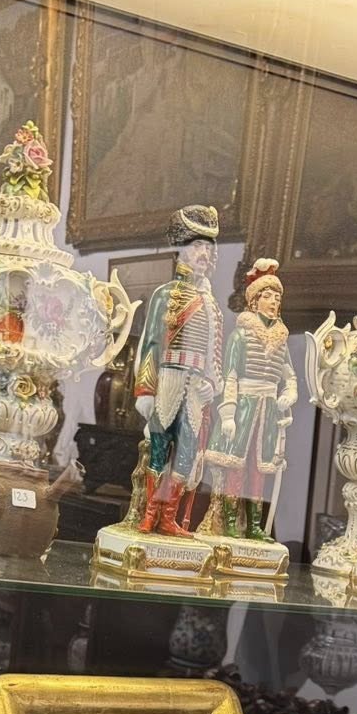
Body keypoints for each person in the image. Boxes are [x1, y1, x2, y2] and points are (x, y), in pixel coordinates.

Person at [133, 204, 223, 536]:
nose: (204, 254)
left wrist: (211, 382)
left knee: (186, 453)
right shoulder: (165, 295)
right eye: (197, 245)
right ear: (182, 249)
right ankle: (150, 513)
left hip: (196, 387)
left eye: (208, 248)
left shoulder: (211, 304)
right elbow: (151, 344)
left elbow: (214, 351)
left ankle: (168, 516)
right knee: (159, 448)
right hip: (169, 379)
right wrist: (146, 390)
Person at [202, 257, 297, 541]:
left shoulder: (281, 340)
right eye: (267, 296)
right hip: (244, 407)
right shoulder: (240, 336)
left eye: (277, 297)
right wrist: (228, 414)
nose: (274, 302)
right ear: (254, 301)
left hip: (268, 410)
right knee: (235, 466)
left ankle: (254, 525)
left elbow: (289, 375)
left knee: (260, 469)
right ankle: (230, 522)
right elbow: (231, 376)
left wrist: (289, 393)